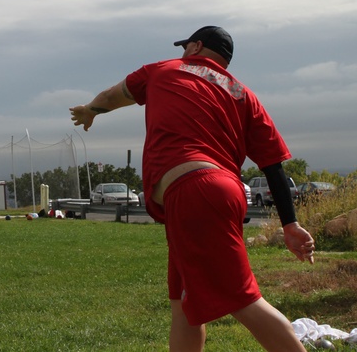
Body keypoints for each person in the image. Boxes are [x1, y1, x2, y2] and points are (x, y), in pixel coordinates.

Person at [69, 26, 314, 352]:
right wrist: (290, 223)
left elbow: (113, 95)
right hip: (222, 192)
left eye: (187, 47)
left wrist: (91, 110)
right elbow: (273, 165)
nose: (183, 52)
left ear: (196, 46)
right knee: (186, 309)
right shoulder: (243, 94)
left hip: (194, 193)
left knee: (244, 300)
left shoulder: (164, 69)